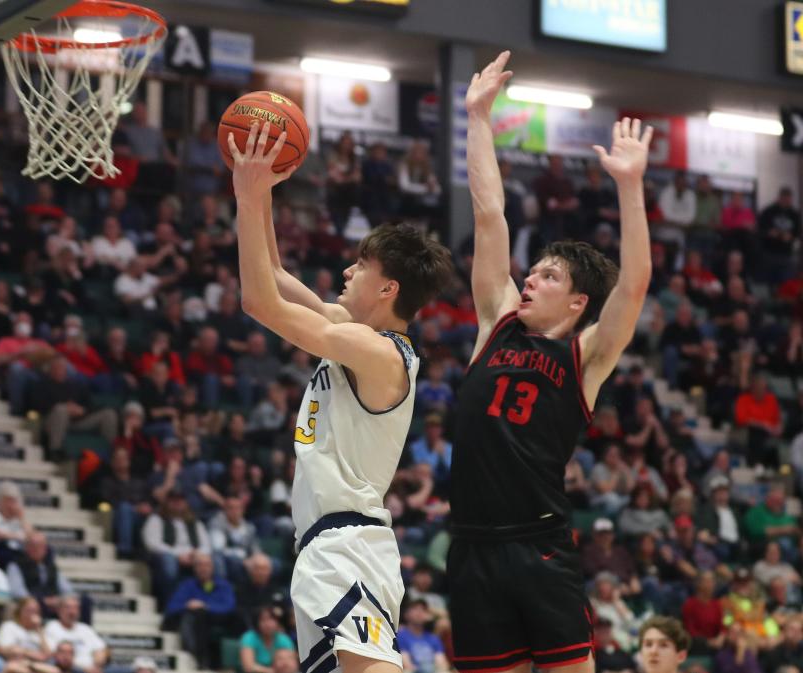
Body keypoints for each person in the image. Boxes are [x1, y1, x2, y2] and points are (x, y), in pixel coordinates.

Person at [450, 52, 654, 673]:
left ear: (578, 301)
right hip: (472, 551)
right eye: (532, 270)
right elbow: (490, 214)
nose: (530, 279)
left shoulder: (585, 355)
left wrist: (629, 185)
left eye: (548, 275)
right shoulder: (497, 320)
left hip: (539, 546)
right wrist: (478, 118)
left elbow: (636, 282)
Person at [227, 114, 453, 673]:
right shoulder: (352, 335)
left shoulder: (380, 353)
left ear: (388, 287)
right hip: (325, 543)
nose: (346, 270)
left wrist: (245, 194)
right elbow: (272, 271)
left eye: (361, 265)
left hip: (348, 540)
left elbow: (259, 303)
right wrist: (259, 194)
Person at [42, 597, 107, 673]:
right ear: (59, 610)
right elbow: (52, 654)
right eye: (68, 607)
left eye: (75, 608)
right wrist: (82, 669)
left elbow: (101, 649)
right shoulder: (52, 627)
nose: (72, 611)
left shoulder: (85, 629)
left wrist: (96, 665)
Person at [0, 597, 57, 673]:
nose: (32, 614)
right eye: (29, 610)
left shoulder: (41, 632)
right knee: (14, 668)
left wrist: (39, 629)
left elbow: (48, 655)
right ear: (19, 611)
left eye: (36, 611)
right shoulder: (9, 626)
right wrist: (34, 655)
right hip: (15, 663)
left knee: (54, 671)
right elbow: (7, 649)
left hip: (35, 665)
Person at [239, 605, 296, 673]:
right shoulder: (249, 637)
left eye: (272, 619)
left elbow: (292, 664)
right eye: (263, 620)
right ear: (256, 623)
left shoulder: (283, 639)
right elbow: (249, 667)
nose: (268, 624)